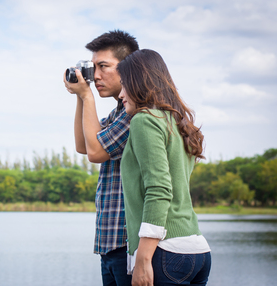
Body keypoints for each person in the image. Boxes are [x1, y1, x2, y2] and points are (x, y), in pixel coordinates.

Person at [117, 49, 211, 286]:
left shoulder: (144, 119)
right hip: (197, 251)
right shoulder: (178, 123)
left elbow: (159, 189)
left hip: (165, 253)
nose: (120, 94)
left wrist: (143, 259)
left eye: (124, 85)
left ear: (138, 83)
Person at [64, 30, 139, 286]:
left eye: (103, 66)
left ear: (129, 69)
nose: (95, 76)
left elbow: (96, 153)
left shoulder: (136, 113)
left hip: (128, 245)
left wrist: (87, 96)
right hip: (109, 244)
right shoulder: (118, 112)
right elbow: (84, 146)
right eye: (93, 67)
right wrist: (79, 96)